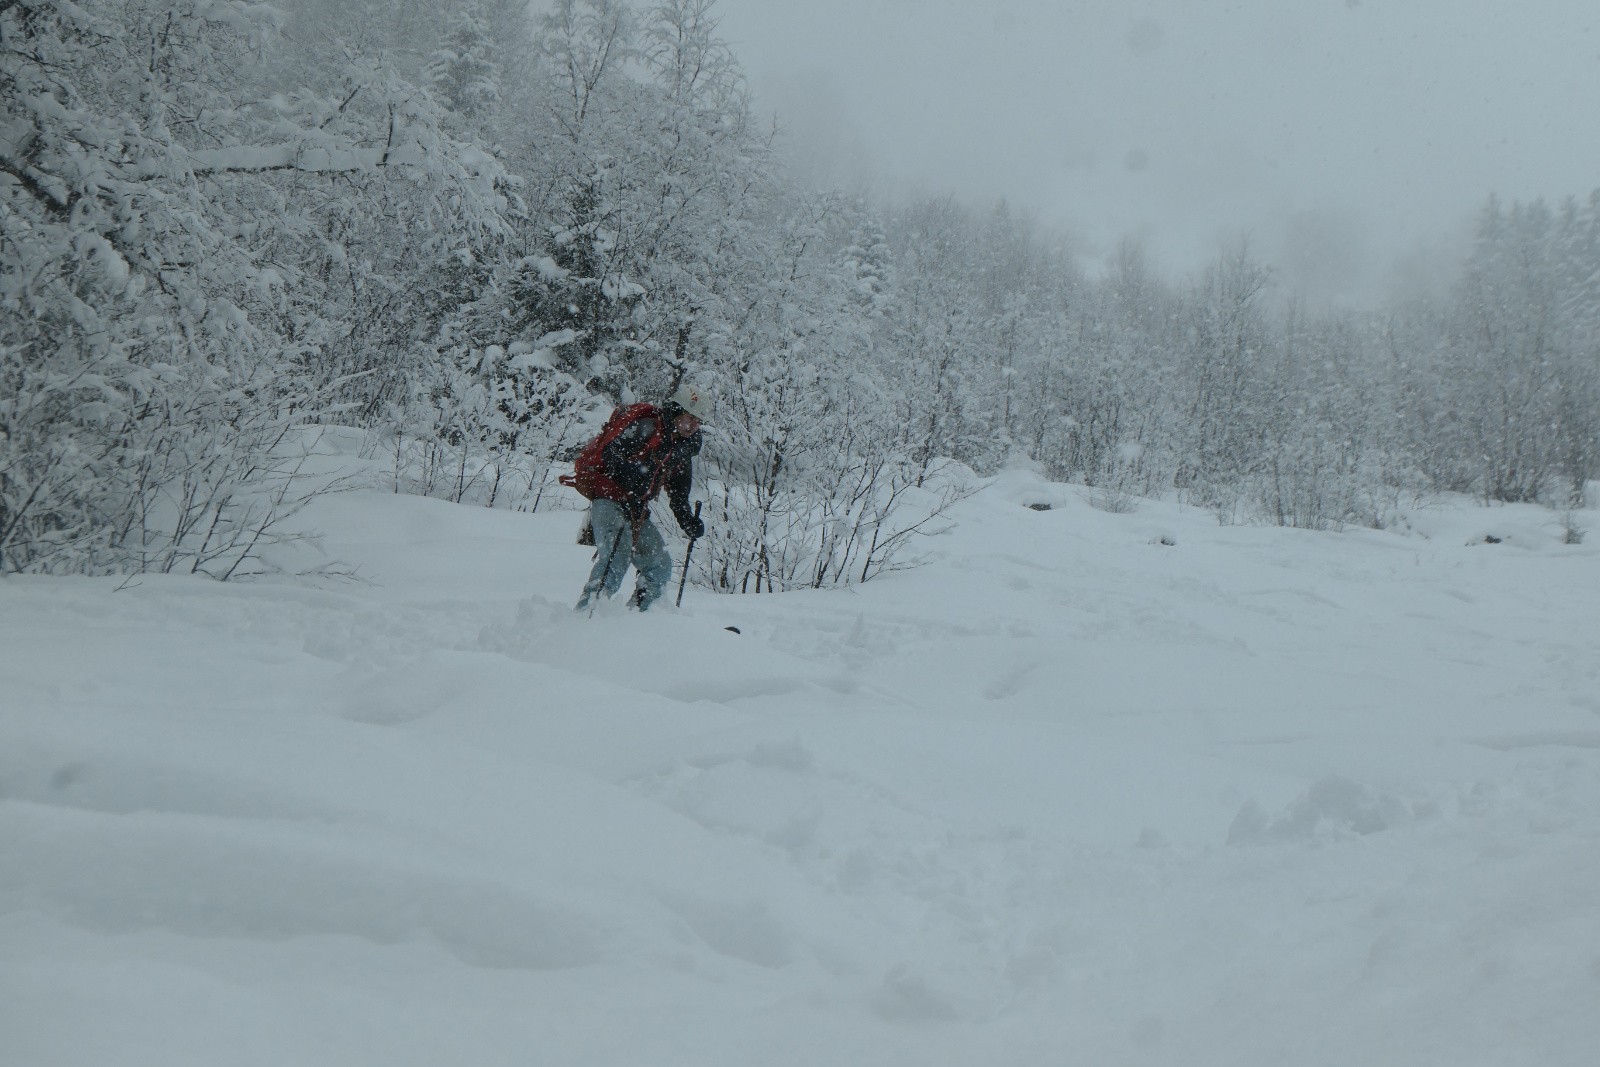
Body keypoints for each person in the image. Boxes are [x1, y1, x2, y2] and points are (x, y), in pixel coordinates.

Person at [573, 383, 710, 612]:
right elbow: (610, 453)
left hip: (636, 508)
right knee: (616, 558)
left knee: (659, 565)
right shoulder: (647, 427)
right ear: (676, 411)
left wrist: (687, 520)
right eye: (689, 418)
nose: (693, 426)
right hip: (608, 497)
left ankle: (637, 621)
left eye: (698, 421)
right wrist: (631, 477)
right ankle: (586, 616)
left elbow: (678, 492)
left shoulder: (684, 448)